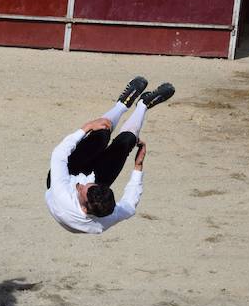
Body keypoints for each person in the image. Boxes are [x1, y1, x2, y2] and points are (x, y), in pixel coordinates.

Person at [44, 78, 175, 234]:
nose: (84, 184)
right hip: (83, 189)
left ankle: (121, 105)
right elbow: (129, 206)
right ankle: (143, 105)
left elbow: (59, 154)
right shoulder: (106, 216)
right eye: (95, 185)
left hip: (66, 176)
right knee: (128, 141)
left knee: (102, 132)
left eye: (88, 187)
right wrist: (138, 167)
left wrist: (86, 127)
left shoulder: (61, 194)